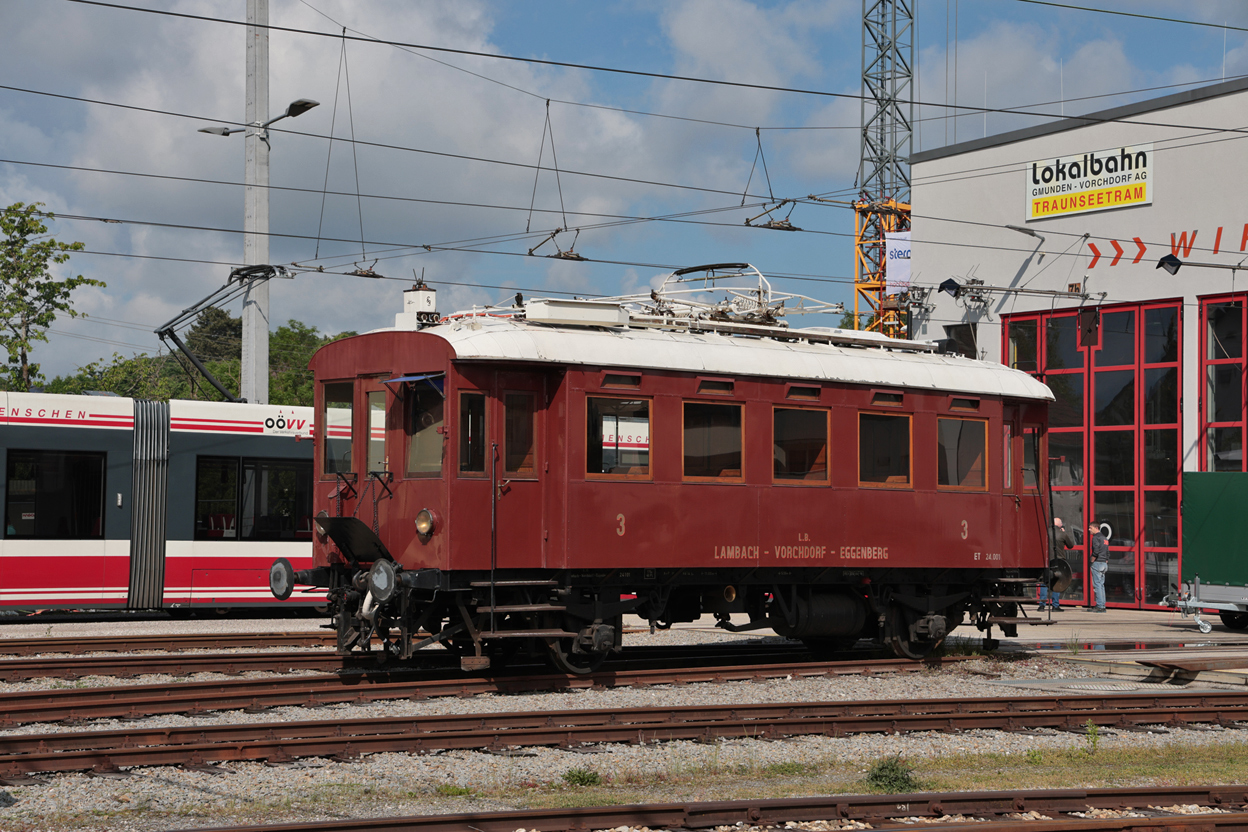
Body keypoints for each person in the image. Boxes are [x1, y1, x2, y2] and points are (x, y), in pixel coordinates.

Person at [1040, 517, 1075, 610]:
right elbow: (1071, 545)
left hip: (1047, 560)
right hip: (1059, 560)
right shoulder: (1062, 534)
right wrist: (1064, 533)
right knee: (1057, 581)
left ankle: (1041, 605)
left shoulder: (1046, 532)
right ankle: (1055, 605)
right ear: (1059, 525)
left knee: (1045, 581)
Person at [1088, 522, 1109, 612]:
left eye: (1090, 528)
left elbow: (1096, 550)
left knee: (1097, 585)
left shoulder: (1096, 537)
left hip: (1098, 563)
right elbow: (1107, 551)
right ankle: (1102, 605)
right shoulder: (1104, 538)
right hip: (1104, 563)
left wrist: (1092, 559)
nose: (1089, 529)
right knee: (1101, 585)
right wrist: (1106, 559)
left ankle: (1100, 606)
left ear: (1096, 528)